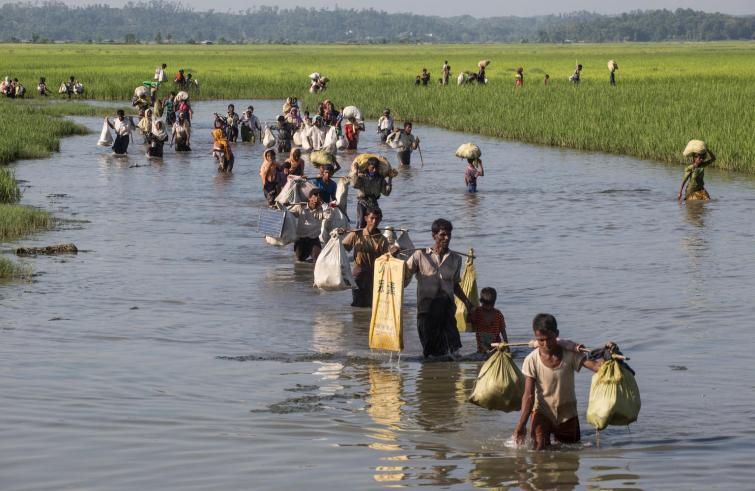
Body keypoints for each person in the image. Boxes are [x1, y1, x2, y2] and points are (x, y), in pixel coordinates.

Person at [513, 313, 617, 450]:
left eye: (549, 339)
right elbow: (529, 396)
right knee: (538, 452)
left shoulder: (570, 354)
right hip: (542, 413)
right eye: (541, 340)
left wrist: (609, 354)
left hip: (568, 414)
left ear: (556, 334)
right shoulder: (531, 360)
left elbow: (597, 367)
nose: (545, 344)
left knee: (570, 453)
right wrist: (520, 426)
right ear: (536, 338)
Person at [404, 219, 474, 359]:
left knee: (453, 351)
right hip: (426, 311)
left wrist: (467, 302)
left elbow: (454, 284)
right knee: (430, 354)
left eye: (449, 235)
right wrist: (392, 257)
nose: (446, 238)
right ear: (434, 236)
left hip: (447, 310)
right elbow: (402, 274)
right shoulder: (420, 255)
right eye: (442, 235)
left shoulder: (455, 259)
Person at [341, 207, 396, 307]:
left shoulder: (382, 239)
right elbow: (342, 248)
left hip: (374, 275)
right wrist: (339, 234)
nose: (375, 221)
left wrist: (393, 252)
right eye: (372, 218)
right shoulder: (357, 234)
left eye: (377, 219)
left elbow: (387, 259)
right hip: (359, 274)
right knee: (357, 304)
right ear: (366, 218)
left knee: (372, 304)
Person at [351, 157, 392, 228]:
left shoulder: (380, 179)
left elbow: (386, 193)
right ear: (368, 167)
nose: (375, 170)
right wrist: (356, 172)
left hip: (374, 203)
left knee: (375, 223)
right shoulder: (362, 176)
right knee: (361, 224)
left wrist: (390, 179)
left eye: (376, 168)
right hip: (363, 202)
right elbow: (354, 185)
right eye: (372, 168)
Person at [292, 189, 326, 262]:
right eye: (315, 196)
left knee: (317, 260)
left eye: (319, 197)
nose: (317, 198)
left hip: (314, 239)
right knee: (299, 259)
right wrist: (284, 206)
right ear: (309, 198)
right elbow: (289, 214)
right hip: (301, 239)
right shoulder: (300, 207)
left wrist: (323, 204)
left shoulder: (322, 209)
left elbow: (329, 216)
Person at [470, 287, 507, 353]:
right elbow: (470, 321)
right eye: (487, 305)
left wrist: (506, 345)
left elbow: (503, 331)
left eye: (490, 305)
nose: (488, 308)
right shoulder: (477, 312)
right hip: (482, 350)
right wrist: (471, 311)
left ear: (481, 301)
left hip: (496, 349)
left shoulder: (498, 314)